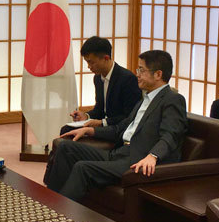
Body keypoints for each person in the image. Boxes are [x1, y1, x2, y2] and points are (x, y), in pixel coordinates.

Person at [46, 50, 187, 201]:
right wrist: (90, 130)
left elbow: (171, 134)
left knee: (83, 167)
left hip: (135, 161)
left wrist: (153, 156)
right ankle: (51, 201)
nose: (137, 74)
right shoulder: (144, 100)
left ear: (158, 74)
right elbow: (121, 128)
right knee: (66, 147)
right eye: (137, 69)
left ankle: (61, 213)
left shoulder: (173, 99)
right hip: (118, 153)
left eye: (141, 70)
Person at [60, 36, 141, 134]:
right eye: (87, 62)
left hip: (119, 129)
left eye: (91, 62)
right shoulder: (98, 78)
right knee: (66, 129)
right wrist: (86, 116)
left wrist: (102, 122)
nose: (89, 67)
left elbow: (130, 116)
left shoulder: (127, 79)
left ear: (106, 58)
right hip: (105, 124)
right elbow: (99, 109)